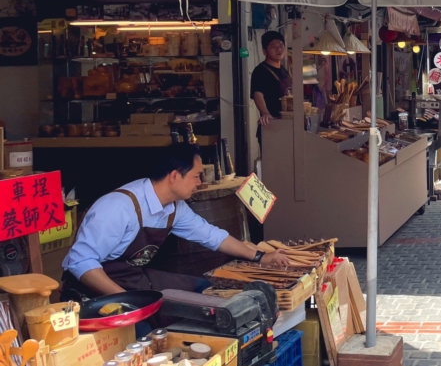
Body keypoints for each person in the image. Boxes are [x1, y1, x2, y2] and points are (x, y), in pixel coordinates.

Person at [62, 143, 290, 298]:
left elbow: (211, 235)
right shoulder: (118, 207)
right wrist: (126, 301)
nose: (200, 182)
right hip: (94, 291)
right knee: (142, 330)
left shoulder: (174, 207)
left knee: (203, 289)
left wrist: (261, 257)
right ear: (174, 176)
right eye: (196, 175)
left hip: (134, 279)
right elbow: (80, 261)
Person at [251, 31, 291, 132]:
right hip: (271, 124)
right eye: (273, 46)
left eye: (281, 45)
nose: (279, 49)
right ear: (264, 51)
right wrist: (265, 113)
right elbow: (258, 94)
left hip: (287, 123)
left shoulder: (284, 70)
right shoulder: (260, 70)